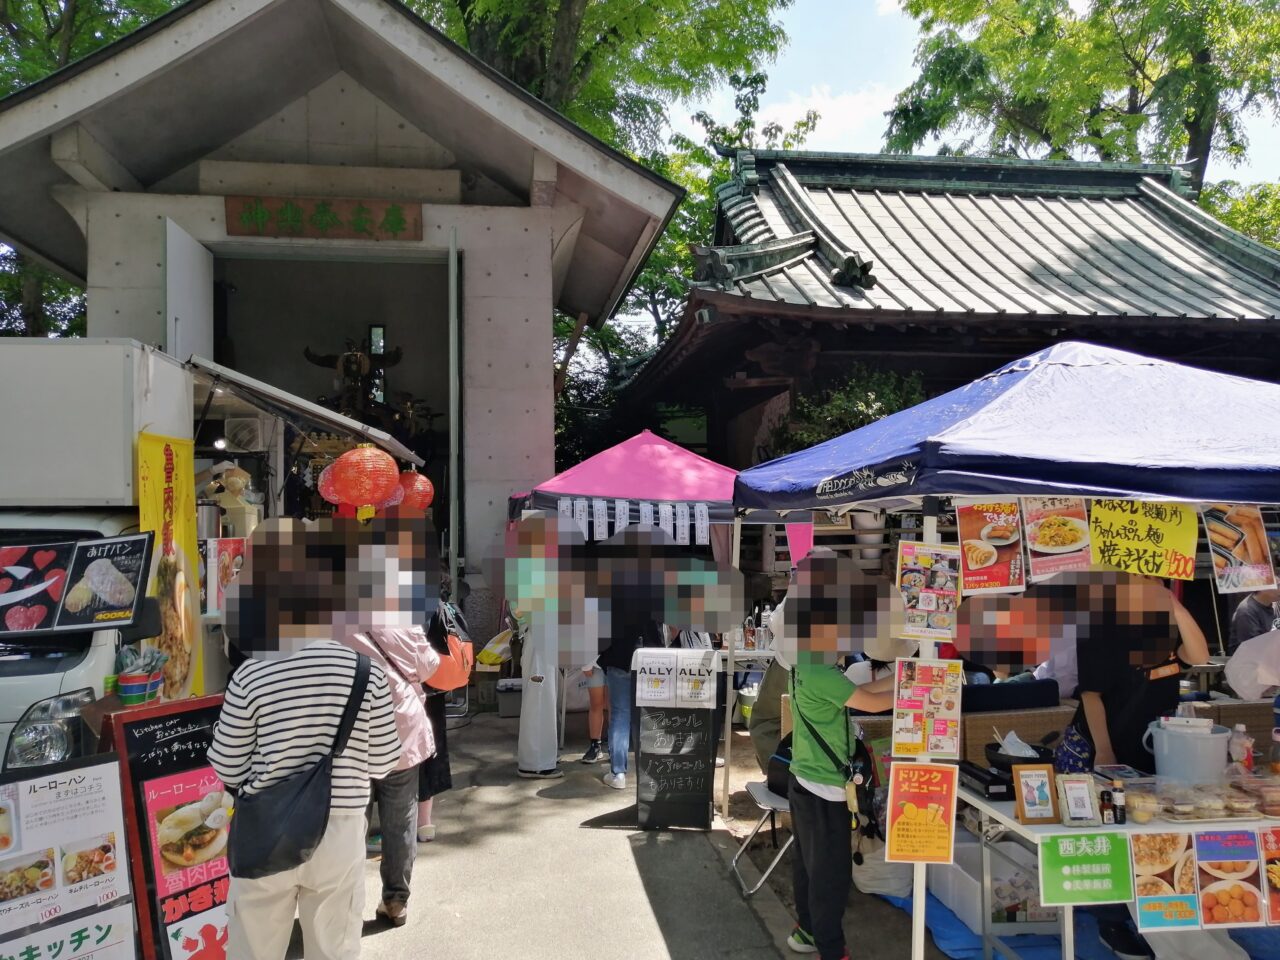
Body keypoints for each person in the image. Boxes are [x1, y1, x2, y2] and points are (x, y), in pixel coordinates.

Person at [211, 518, 401, 960]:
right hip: (340, 831)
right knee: (333, 948)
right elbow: (383, 762)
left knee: (254, 949)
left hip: (264, 830)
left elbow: (228, 768)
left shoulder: (250, 675)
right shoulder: (365, 672)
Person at [1063, 574, 1210, 960]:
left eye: (1152, 580)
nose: (1146, 586)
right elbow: (1092, 696)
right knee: (1108, 838)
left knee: (1153, 840)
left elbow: (1199, 656)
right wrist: (1105, 751)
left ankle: (1156, 917)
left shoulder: (1167, 623)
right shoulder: (1097, 627)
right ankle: (1111, 923)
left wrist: (1176, 607)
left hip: (1153, 750)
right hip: (1101, 746)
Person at [781, 553, 898, 960]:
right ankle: (831, 949)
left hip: (806, 779)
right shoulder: (819, 669)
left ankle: (808, 932)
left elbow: (868, 696)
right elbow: (868, 703)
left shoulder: (811, 662)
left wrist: (902, 681)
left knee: (808, 866)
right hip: (824, 788)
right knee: (830, 876)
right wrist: (910, 685)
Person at [418, 605, 457, 839]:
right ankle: (425, 823)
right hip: (435, 686)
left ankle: (404, 825)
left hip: (403, 692)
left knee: (401, 761)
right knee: (431, 750)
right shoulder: (432, 600)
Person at [1229, 589, 1280, 654]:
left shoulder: (1271, 605)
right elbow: (1252, 649)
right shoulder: (1246, 611)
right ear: (1263, 587)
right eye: (1278, 585)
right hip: (1251, 660)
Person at [579, 655, 609, 763]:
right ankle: (595, 745)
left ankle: (615, 747)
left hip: (616, 662)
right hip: (593, 662)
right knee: (596, 703)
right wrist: (585, 664)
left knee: (614, 706)